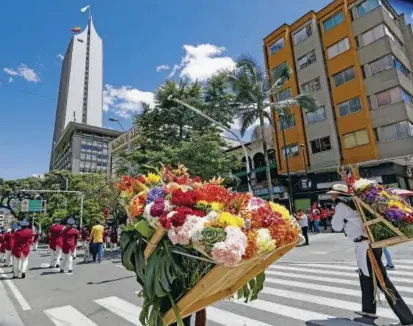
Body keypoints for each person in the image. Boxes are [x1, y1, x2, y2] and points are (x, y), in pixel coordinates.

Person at [329, 184, 413, 326]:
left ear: (338, 195)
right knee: (366, 278)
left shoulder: (340, 206)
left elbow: (336, 227)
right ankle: (368, 312)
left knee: (382, 281)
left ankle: (407, 317)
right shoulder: (355, 203)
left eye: (333, 194)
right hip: (366, 246)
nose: (331, 196)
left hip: (366, 248)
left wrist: (340, 221)